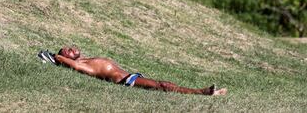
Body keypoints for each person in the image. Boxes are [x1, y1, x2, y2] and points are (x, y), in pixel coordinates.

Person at [38, 47, 227, 96]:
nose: (72, 49)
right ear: (66, 58)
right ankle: (202, 92)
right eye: (67, 51)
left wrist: (61, 56)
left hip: (131, 76)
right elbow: (68, 62)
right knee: (162, 86)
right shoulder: (82, 66)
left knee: (162, 84)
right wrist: (56, 57)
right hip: (126, 80)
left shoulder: (84, 60)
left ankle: (209, 93)